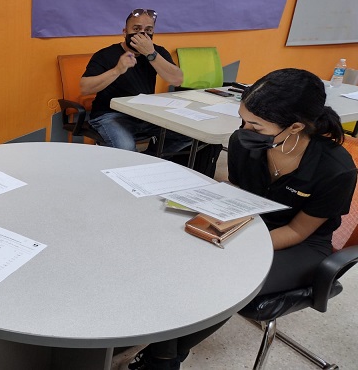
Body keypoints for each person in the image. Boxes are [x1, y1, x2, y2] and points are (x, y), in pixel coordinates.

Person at [128, 68, 357, 369]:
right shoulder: (245, 143)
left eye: (256, 126)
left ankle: (163, 358)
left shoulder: (335, 169)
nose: (244, 130)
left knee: (222, 281)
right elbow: (238, 191)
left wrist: (237, 245)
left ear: (295, 127)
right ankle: (160, 349)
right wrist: (205, 208)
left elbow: (298, 231)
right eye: (242, 119)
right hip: (249, 218)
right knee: (176, 255)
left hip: (301, 243)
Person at [81, 8, 191, 153]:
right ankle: (137, 161)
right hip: (110, 115)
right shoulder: (105, 55)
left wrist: (150, 53)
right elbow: (85, 88)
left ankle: (148, 159)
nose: (142, 34)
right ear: (125, 32)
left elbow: (177, 80)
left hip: (145, 114)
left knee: (188, 134)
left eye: (148, 30)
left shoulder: (157, 52)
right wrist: (117, 70)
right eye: (136, 29)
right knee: (126, 148)